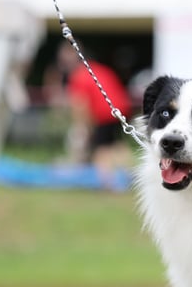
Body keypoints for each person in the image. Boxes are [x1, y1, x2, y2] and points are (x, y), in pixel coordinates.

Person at [53, 40, 133, 188]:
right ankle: (130, 176)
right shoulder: (97, 69)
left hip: (105, 113)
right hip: (120, 109)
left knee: (101, 148)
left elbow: (80, 104)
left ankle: (107, 183)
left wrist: (83, 127)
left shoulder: (78, 75)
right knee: (115, 144)